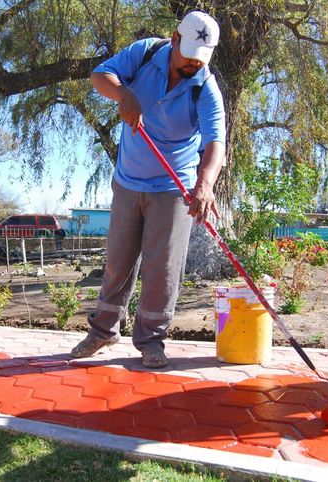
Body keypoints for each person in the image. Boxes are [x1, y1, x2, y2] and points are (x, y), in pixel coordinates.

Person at [70, 11, 226, 368]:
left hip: (173, 187)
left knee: (162, 268)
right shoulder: (143, 53)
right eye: (187, 56)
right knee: (118, 261)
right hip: (127, 180)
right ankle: (103, 331)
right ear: (174, 39)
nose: (191, 65)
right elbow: (100, 75)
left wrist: (205, 184)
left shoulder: (205, 87)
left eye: (199, 60)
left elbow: (216, 142)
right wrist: (123, 92)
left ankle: (152, 340)